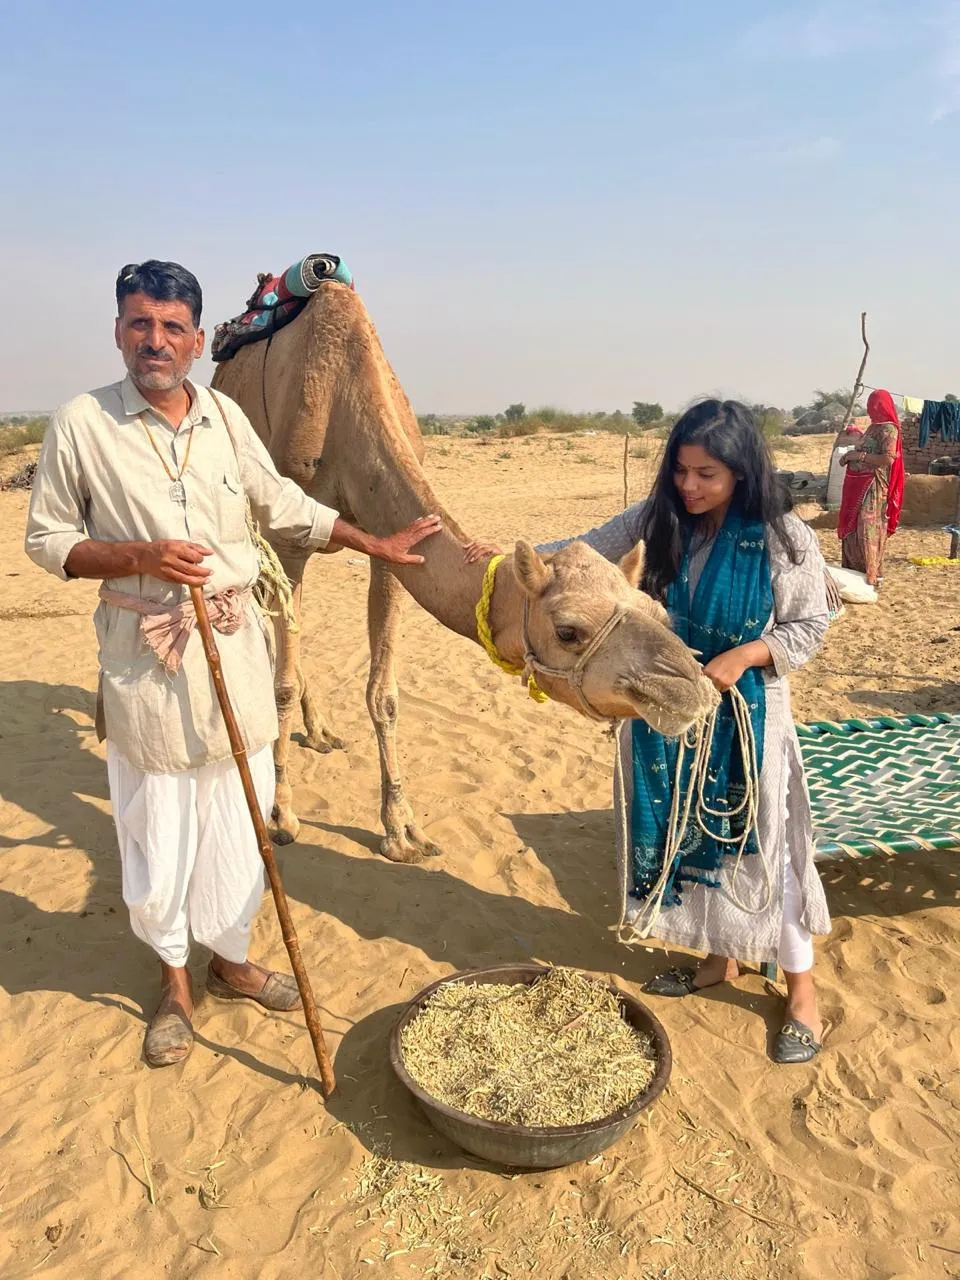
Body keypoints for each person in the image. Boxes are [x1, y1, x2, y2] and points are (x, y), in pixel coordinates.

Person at [25, 260, 441, 1068]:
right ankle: (175, 983)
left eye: (173, 327)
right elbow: (46, 541)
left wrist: (373, 542)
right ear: (118, 331)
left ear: (193, 338)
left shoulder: (220, 417)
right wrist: (137, 556)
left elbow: (283, 504)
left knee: (240, 819)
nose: (155, 341)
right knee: (158, 826)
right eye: (140, 324)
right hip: (146, 654)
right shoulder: (80, 424)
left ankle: (233, 957)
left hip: (235, 650)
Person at [468, 400, 831, 1063]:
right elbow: (576, 557)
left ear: (742, 475)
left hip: (749, 708)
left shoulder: (784, 538)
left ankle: (802, 991)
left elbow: (808, 627)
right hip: (661, 704)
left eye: (707, 475)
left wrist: (742, 656)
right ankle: (721, 959)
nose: (689, 487)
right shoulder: (658, 519)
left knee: (766, 845)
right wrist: (491, 566)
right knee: (691, 832)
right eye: (682, 471)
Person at [837, 389, 905, 587]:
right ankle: (853, 571)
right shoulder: (872, 428)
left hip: (872, 486)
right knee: (851, 528)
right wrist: (849, 455)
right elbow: (863, 449)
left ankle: (871, 574)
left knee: (867, 527)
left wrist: (859, 457)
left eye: (874, 404)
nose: (870, 408)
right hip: (855, 485)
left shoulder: (889, 429)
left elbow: (887, 459)